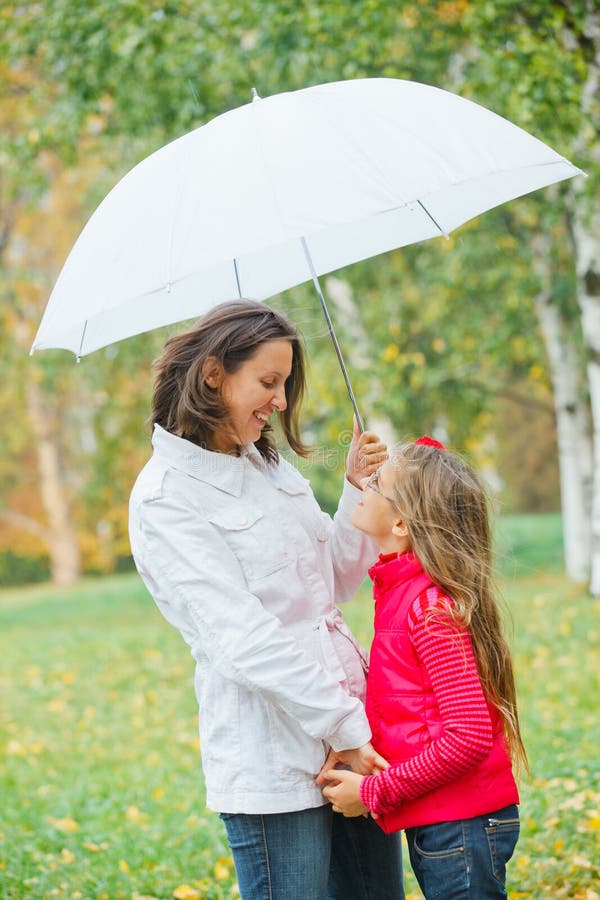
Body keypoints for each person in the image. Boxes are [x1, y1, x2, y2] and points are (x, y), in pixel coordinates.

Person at [128, 299, 404, 900]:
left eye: (284, 384)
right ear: (212, 374)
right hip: (274, 751)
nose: (280, 402)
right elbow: (240, 639)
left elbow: (327, 587)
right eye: (268, 382)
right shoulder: (166, 498)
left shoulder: (267, 464)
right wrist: (344, 727)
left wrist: (357, 493)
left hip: (350, 727)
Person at [320, 436, 527, 899]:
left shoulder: (429, 610)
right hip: (447, 821)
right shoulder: (402, 591)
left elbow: (468, 735)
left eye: (375, 483)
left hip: (462, 827)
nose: (364, 487)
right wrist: (359, 747)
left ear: (399, 522)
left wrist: (374, 792)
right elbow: (413, 709)